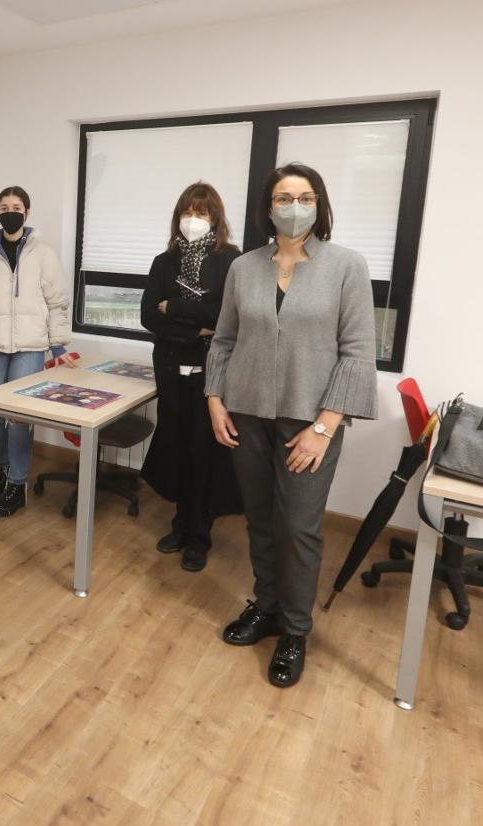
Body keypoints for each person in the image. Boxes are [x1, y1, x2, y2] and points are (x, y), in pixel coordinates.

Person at [206, 162, 377, 688]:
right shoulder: (244, 267)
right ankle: (269, 606)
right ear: (268, 206)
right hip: (248, 413)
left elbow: (358, 354)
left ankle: (295, 630)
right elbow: (224, 340)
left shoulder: (347, 266)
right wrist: (215, 399)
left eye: (305, 197)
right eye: (283, 197)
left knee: (297, 526)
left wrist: (324, 427)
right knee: (258, 519)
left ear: (320, 205)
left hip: (311, 421)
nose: (293, 206)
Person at [0, 186, 74, 518]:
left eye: (16, 206)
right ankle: (3, 470)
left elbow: (58, 302)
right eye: (4, 206)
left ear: (27, 213)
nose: (10, 210)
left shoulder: (43, 254)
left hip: (29, 348)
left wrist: (58, 344)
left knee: (19, 417)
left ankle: (18, 485)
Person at [140, 182, 243, 572]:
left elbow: (226, 318)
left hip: (212, 376)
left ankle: (200, 536)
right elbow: (149, 316)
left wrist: (176, 306)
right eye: (188, 211)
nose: (194, 219)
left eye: (202, 213)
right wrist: (193, 327)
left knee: (205, 454)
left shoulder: (232, 261)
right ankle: (180, 525)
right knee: (177, 449)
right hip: (170, 369)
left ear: (215, 218)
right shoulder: (163, 262)